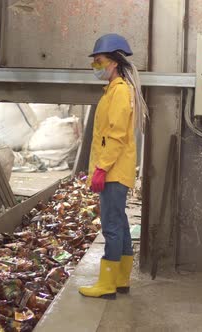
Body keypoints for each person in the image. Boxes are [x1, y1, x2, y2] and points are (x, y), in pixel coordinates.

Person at [79, 33, 149, 300]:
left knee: (111, 225)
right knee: (119, 222)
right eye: (94, 62)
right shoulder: (113, 91)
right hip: (115, 169)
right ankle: (121, 280)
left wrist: (101, 168)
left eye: (99, 61)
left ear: (114, 63)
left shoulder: (119, 92)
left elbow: (117, 136)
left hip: (113, 171)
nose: (95, 66)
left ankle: (107, 284)